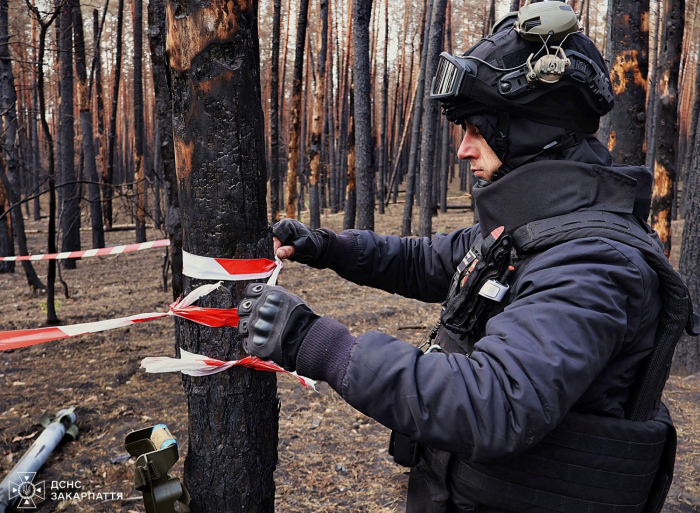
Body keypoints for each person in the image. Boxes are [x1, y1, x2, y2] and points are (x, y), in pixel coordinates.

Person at [237, 3, 697, 512]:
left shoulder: (593, 262)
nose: (462, 150)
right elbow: (427, 260)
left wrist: (317, 343)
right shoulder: (532, 231)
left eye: (476, 129)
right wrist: (327, 247)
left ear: (530, 130)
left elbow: (497, 402)